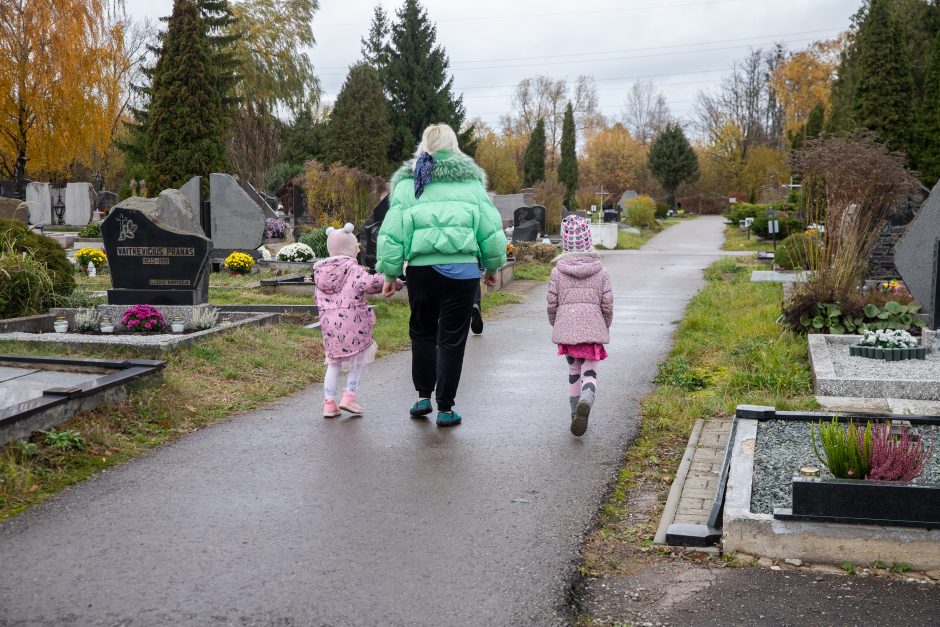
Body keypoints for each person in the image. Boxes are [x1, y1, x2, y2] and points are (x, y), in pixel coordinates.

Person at [376, 123, 507, 427]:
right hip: (462, 273)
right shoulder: (472, 184)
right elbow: (490, 230)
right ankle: (446, 408)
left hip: (422, 271)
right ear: (454, 146)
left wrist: (390, 274)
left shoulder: (409, 184)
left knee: (422, 332)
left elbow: (392, 234)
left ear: (424, 147)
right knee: (452, 339)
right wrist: (491, 268)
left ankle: (423, 397)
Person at [314, 223, 402, 418]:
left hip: (329, 326)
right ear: (350, 248)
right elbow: (371, 284)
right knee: (359, 359)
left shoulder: (320, 272)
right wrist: (395, 281)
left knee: (333, 363)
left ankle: (329, 403)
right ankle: (350, 396)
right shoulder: (353, 269)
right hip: (354, 323)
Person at [546, 215, 613, 436]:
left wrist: (556, 324)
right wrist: (605, 324)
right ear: (588, 240)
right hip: (593, 331)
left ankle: (575, 414)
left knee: (574, 371)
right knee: (590, 374)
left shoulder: (557, 272)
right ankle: (587, 400)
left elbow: (552, 303)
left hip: (568, 331)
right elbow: (607, 303)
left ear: (565, 243)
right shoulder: (601, 271)